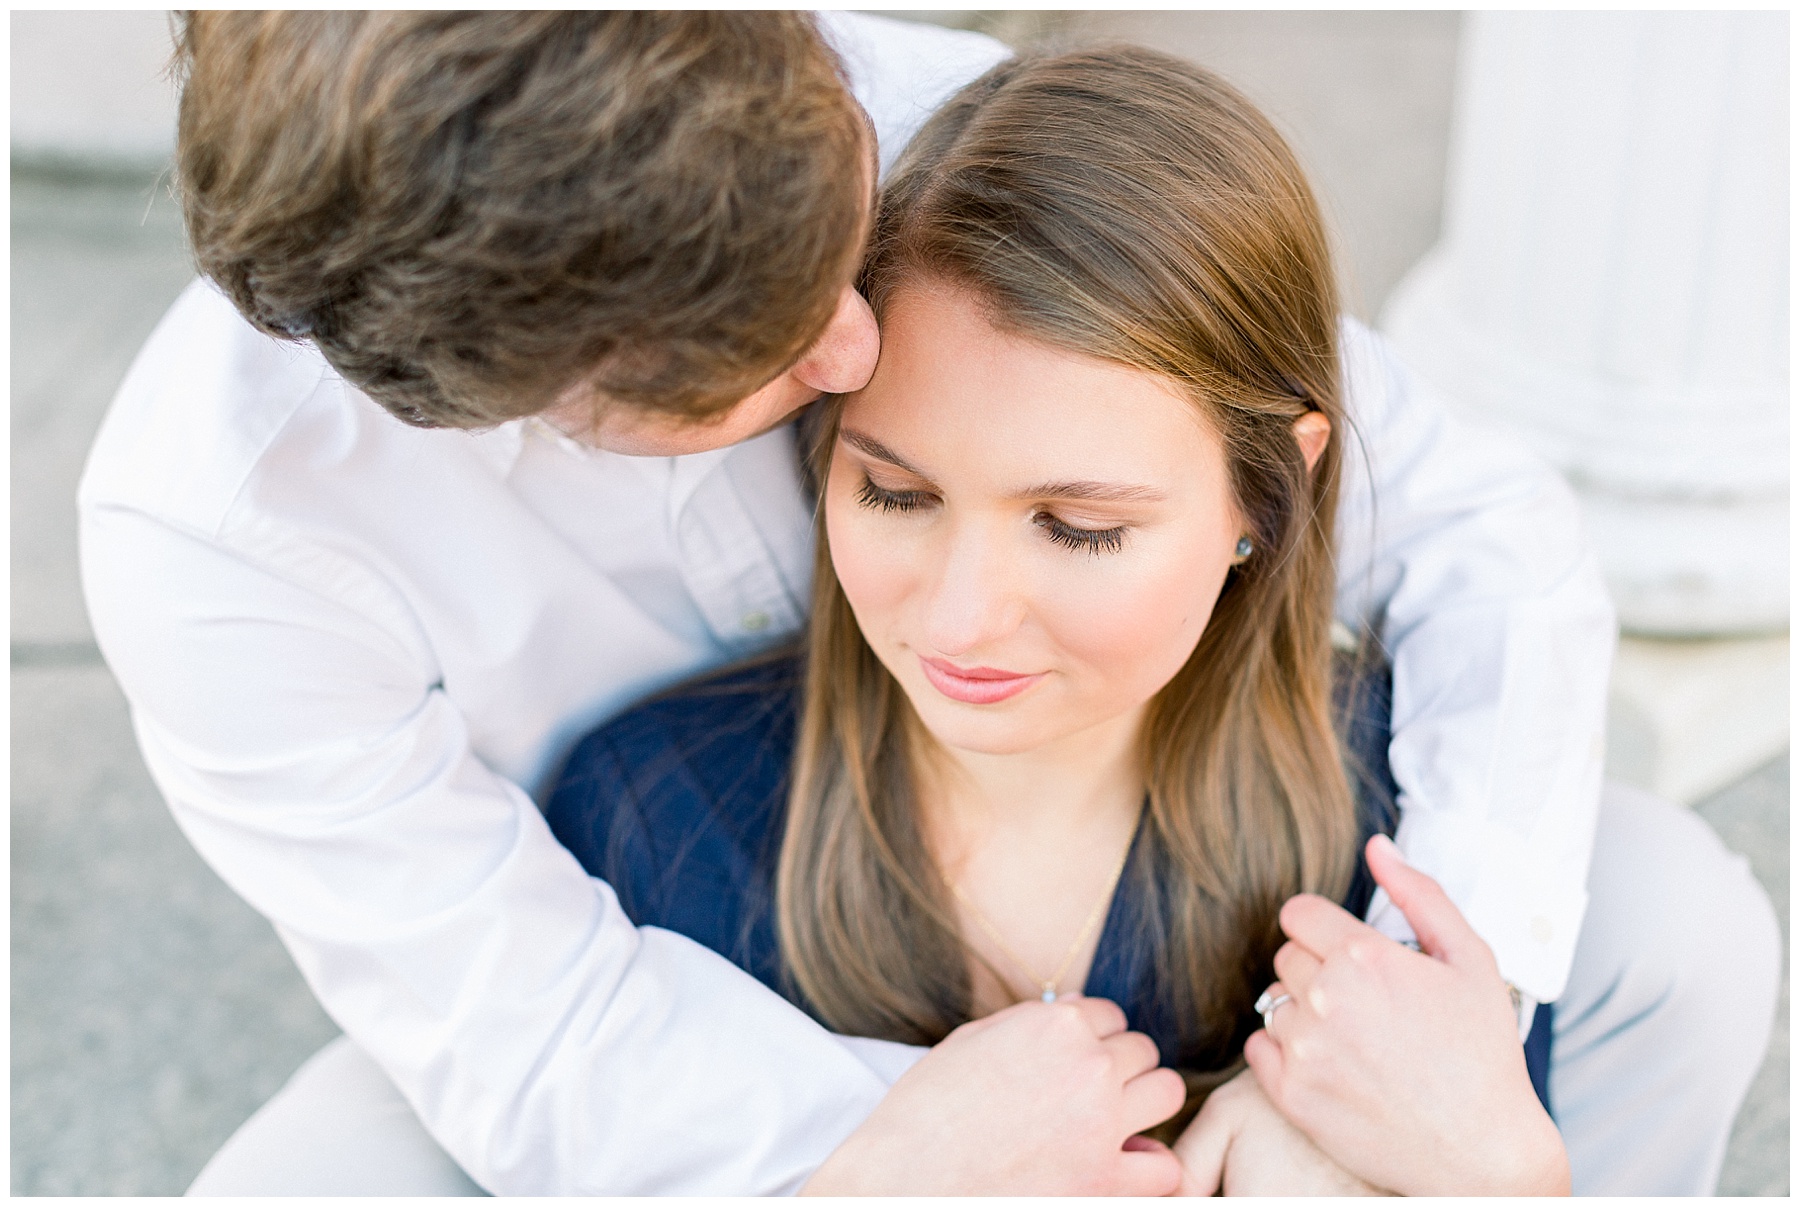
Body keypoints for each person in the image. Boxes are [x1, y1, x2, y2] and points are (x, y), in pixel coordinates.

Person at [76, 11, 1775, 1197]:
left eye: (830, 239)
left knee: (1666, 927)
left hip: (1159, 844)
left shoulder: (854, 108)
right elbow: (538, 1039)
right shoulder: (227, 533)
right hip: (672, 959)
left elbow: (1471, 522)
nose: (850, 346)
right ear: (516, 393)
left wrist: (1404, 1051)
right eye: (759, 365)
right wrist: (905, 1158)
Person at [542, 45, 1572, 1195]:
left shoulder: (1409, 824)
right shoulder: (649, 819)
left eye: (1078, 526)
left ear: (1261, 498)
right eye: (895, 492)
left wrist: (1503, 1173)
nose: (963, 615)